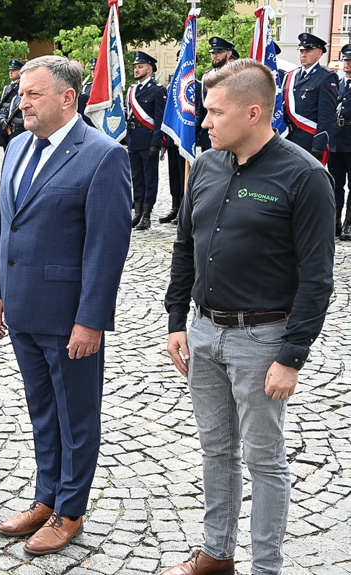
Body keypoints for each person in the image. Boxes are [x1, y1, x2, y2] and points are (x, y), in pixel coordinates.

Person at [163, 59, 335, 575]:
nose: (205, 122)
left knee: (264, 461)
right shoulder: (208, 165)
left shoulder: (305, 176)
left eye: (215, 111)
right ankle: (217, 554)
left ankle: (266, 568)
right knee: (216, 451)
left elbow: (317, 277)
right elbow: (184, 247)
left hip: (262, 340)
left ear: (253, 111)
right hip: (203, 331)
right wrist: (177, 320)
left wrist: (291, 356)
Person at [0, 55, 131, 556]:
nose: (21, 102)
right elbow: (5, 223)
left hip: (69, 317)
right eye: (21, 93)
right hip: (23, 308)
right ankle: (46, 498)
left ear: (67, 98)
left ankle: (70, 510)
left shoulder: (102, 154)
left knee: (76, 417)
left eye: (32, 94)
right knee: (42, 413)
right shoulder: (20, 145)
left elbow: (106, 248)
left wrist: (90, 320)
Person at [282, 33, 338, 166]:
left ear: (319, 53)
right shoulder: (290, 75)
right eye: (301, 51)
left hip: (308, 138)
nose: (303, 54)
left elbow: (327, 115)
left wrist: (319, 144)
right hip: (287, 137)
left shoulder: (326, 77)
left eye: (308, 51)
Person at [126, 51, 167, 230]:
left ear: (150, 69)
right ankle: (138, 212)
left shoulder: (158, 90)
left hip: (148, 139)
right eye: (135, 67)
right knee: (136, 177)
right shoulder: (132, 90)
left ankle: (147, 215)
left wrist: (156, 142)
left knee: (150, 177)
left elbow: (159, 119)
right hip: (134, 139)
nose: (136, 70)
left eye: (140, 66)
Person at [195, 37, 235, 152]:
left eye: (219, 52)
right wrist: (193, 131)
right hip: (210, 132)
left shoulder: (236, 75)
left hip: (229, 130)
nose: (215, 56)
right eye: (213, 53)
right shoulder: (207, 76)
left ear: (229, 53)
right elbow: (202, 109)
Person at [330, 44, 351, 239]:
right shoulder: (337, 83)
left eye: (350, 60)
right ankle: (334, 221)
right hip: (336, 139)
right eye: (345, 59)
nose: (347, 63)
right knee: (335, 184)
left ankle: (349, 224)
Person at [0, 59, 25, 148]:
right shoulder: (7, 87)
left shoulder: (21, 86)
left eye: (13, 70)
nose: (10, 72)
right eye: (10, 70)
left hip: (18, 124)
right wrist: (2, 119)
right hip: (7, 121)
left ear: (20, 72)